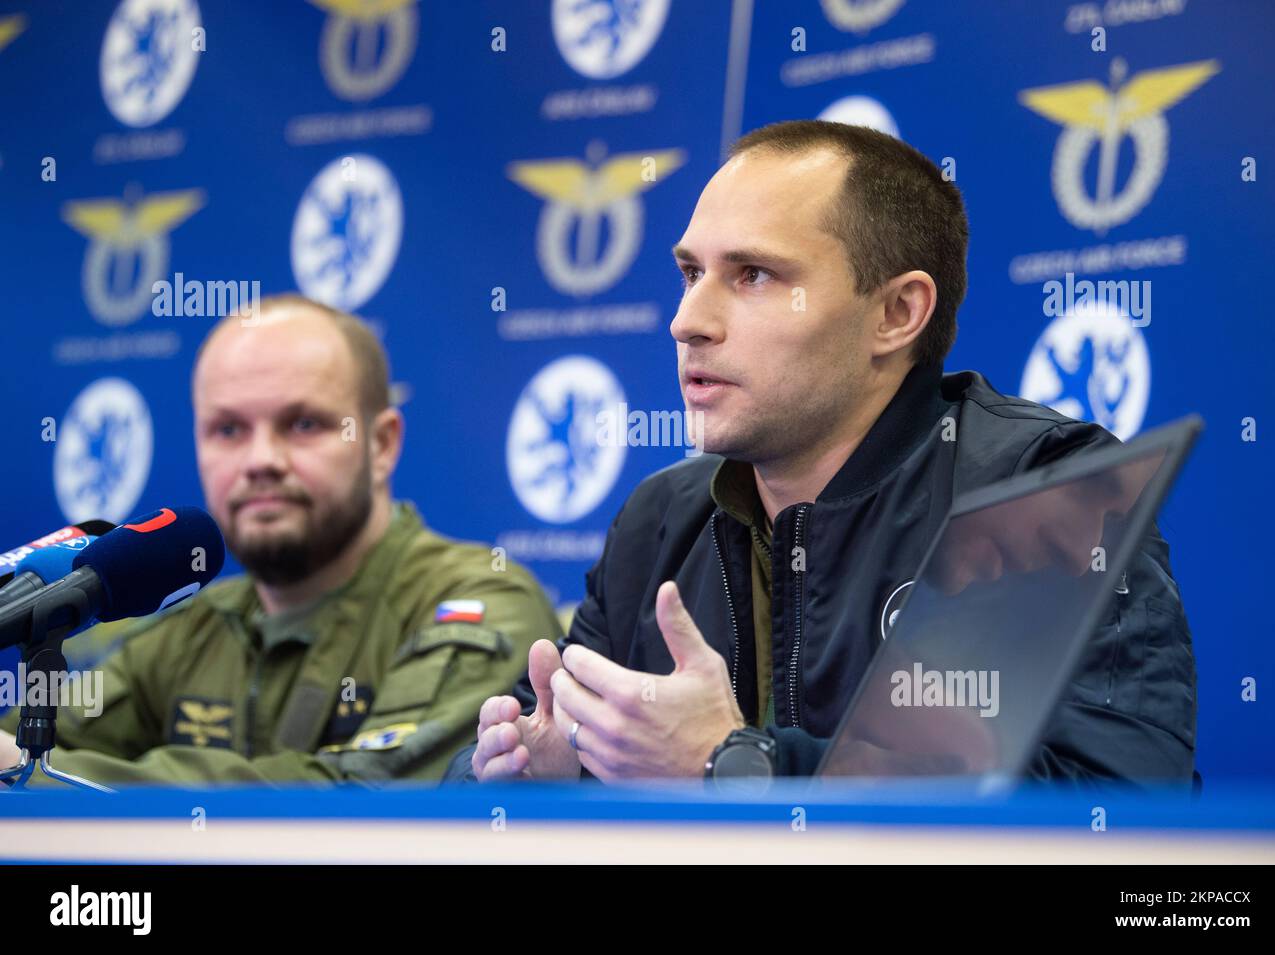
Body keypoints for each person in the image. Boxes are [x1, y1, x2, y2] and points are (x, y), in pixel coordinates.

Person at [457, 120, 1196, 786]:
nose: (688, 321)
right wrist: (548, 777)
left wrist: (739, 763)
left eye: (753, 275)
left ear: (896, 313)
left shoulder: (1042, 488)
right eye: (690, 273)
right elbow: (507, 756)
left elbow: (1121, 810)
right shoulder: (661, 514)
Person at [0, 294, 560, 785]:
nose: (260, 461)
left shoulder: (482, 603)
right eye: (227, 430)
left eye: (303, 424)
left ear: (382, 444)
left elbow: (359, 803)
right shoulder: (196, 623)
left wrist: (23, 776)